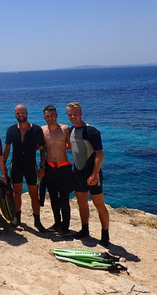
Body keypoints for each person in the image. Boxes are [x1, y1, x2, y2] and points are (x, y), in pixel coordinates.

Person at [66, 102, 110, 246]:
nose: (73, 116)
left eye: (76, 114)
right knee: (82, 203)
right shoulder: (72, 130)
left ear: (81, 114)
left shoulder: (91, 131)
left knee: (99, 204)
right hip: (78, 172)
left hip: (92, 173)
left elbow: (100, 153)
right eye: (70, 114)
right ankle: (85, 230)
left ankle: (105, 235)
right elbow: (71, 148)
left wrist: (95, 174)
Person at [3, 104, 47, 233]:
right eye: (18, 113)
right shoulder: (11, 130)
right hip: (16, 164)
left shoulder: (37, 130)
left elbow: (42, 149)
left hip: (31, 165)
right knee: (17, 193)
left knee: (34, 194)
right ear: (15, 114)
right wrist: (3, 165)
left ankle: (37, 221)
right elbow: (7, 148)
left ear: (27, 113)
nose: (20, 115)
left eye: (22, 112)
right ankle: (17, 218)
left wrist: (42, 166)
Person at [41, 105, 72, 236]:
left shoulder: (65, 129)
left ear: (57, 115)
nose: (50, 118)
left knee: (64, 198)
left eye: (52, 115)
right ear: (44, 117)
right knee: (53, 197)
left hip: (63, 167)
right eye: (47, 116)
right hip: (49, 167)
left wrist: (58, 149)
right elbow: (42, 150)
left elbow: (70, 146)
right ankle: (57, 223)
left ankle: (65, 227)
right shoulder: (42, 130)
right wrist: (42, 167)